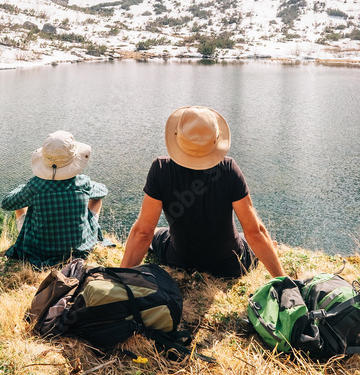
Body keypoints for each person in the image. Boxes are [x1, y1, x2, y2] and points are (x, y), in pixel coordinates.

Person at [121, 106, 283, 279]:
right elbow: (255, 232)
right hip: (230, 266)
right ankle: (268, 249)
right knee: (247, 238)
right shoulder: (229, 169)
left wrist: (119, 278)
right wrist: (285, 281)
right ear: (216, 138)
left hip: (180, 262)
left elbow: (143, 232)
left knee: (156, 233)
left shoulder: (160, 169)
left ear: (176, 136)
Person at [2, 130, 108, 268]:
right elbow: (103, 191)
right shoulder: (83, 182)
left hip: (39, 250)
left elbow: (7, 203)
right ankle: (89, 232)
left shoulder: (35, 186)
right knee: (96, 199)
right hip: (77, 249)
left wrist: (26, 187)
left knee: (20, 204)